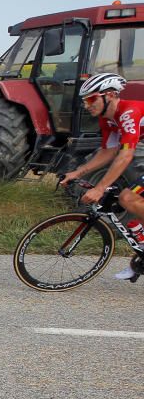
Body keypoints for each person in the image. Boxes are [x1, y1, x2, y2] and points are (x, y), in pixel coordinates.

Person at [60, 72, 144, 280]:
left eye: (91, 99)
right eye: (84, 101)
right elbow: (108, 151)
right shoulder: (108, 120)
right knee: (127, 198)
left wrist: (99, 188)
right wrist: (77, 172)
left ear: (110, 95)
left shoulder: (128, 112)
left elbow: (125, 155)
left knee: (127, 198)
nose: (87, 105)